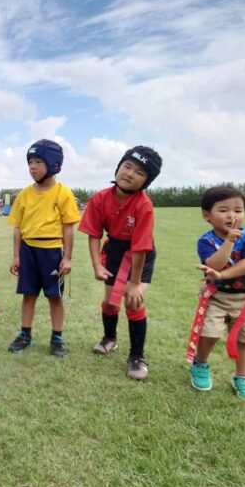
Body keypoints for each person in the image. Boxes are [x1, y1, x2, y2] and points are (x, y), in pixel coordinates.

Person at [78, 146, 162, 380]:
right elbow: (94, 234)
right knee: (110, 303)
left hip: (140, 254)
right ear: (118, 167)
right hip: (114, 251)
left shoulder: (143, 205)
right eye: (127, 166)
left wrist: (135, 282)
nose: (130, 174)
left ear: (146, 182)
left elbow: (140, 246)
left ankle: (137, 356)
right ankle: (110, 338)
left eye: (139, 172)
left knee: (133, 302)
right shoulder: (100, 198)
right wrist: (97, 265)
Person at [187, 186, 245, 401]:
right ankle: (200, 365)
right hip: (216, 298)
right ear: (207, 215)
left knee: (244, 339)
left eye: (238, 210)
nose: (232, 215)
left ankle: (242, 377)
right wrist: (229, 241)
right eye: (223, 210)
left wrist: (222, 275)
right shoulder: (206, 241)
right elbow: (214, 264)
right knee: (210, 334)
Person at [7, 139, 80, 357]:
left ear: (53, 163)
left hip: (53, 252)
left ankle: (57, 338)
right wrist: (16, 256)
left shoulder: (63, 193)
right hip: (28, 251)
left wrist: (67, 258)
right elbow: (18, 228)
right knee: (28, 295)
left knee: (54, 297)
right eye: (30, 162)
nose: (32, 167)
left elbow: (68, 229)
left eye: (38, 161)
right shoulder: (24, 195)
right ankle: (25, 334)